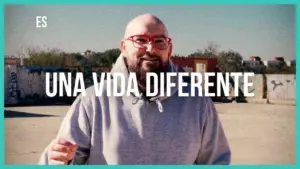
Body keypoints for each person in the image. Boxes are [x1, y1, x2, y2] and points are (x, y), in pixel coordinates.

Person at [38, 13, 231, 165]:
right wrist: (58, 159)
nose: (151, 48)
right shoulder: (93, 102)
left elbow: (217, 161)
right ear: (123, 47)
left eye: (159, 41)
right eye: (140, 40)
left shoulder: (197, 103)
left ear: (169, 49)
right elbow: (63, 159)